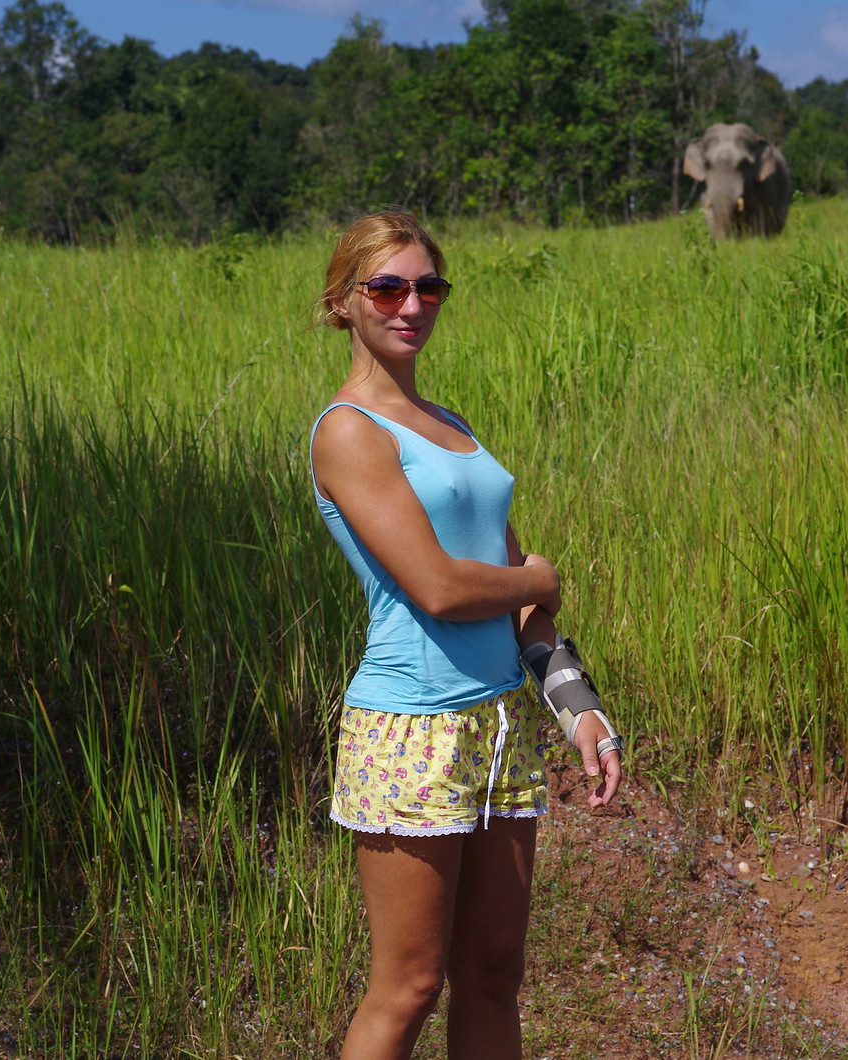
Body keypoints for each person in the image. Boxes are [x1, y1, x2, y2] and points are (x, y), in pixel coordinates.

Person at [309, 211, 624, 1060]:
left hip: (498, 724)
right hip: (411, 727)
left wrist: (579, 710)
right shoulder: (348, 431)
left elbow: (513, 594)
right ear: (343, 303)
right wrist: (540, 578)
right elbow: (446, 589)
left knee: (493, 971)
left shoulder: (450, 424)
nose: (410, 304)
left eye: (428, 286)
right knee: (408, 986)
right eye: (386, 287)